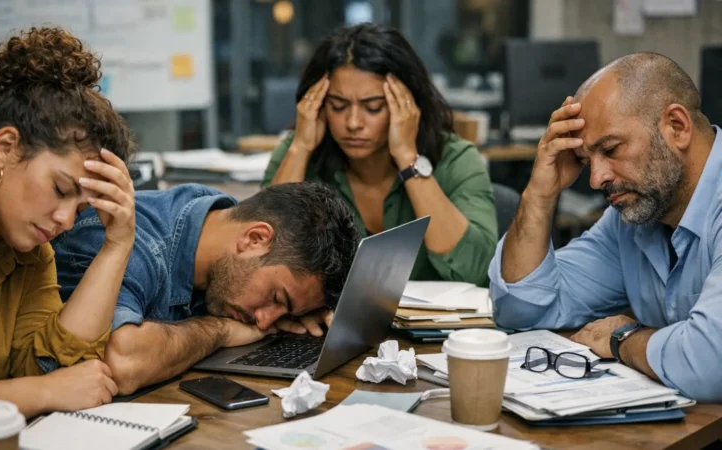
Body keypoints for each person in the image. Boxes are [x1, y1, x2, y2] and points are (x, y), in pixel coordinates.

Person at [0, 27, 136, 445]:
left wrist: (117, 245)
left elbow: (53, 367)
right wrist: (44, 393)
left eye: (81, 209)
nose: (65, 221)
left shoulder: (30, 252)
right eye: (61, 189)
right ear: (4, 148)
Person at [488, 53, 722, 402]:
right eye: (586, 161)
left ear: (677, 127)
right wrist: (540, 194)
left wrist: (624, 339)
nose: (597, 179)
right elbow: (523, 309)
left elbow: (709, 364)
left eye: (611, 149)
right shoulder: (633, 218)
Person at [53, 182, 360, 395]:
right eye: (276, 297)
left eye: (283, 311)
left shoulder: (222, 221)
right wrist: (220, 331)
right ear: (254, 239)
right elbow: (121, 362)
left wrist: (303, 312)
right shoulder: (116, 241)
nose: (264, 321)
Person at [262, 24, 497, 285]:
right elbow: (259, 258)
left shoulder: (456, 158)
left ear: (408, 105)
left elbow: (477, 270)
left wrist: (408, 159)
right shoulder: (299, 153)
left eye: (373, 108)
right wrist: (300, 148)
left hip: (439, 327)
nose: (353, 123)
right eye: (337, 106)